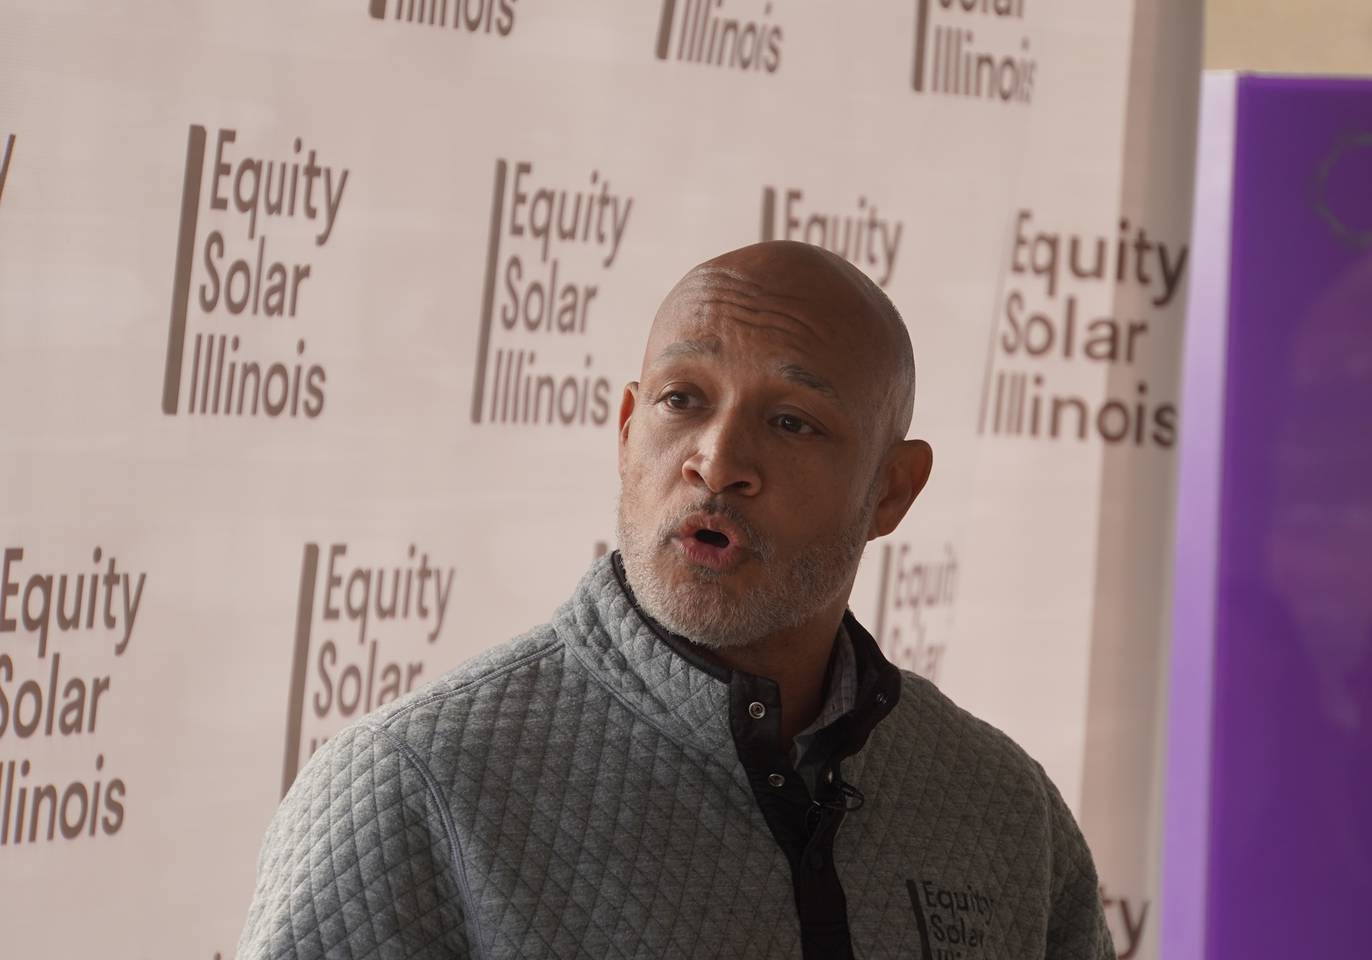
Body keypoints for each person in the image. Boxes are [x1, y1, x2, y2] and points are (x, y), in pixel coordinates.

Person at [236, 241, 1115, 959]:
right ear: (626, 433)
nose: (716, 457)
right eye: (681, 400)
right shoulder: (416, 787)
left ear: (891, 490)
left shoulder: (1002, 808)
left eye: (792, 421)